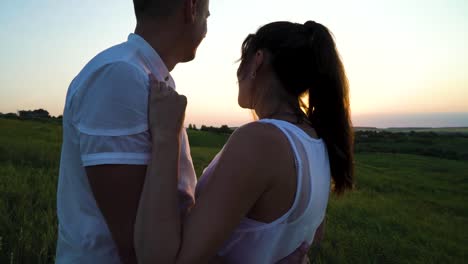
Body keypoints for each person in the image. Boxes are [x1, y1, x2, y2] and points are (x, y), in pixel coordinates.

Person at [55, 0, 309, 263]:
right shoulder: (119, 76)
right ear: (191, 8)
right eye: (207, 14)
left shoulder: (148, 77)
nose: (207, 25)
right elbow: (138, 247)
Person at [135, 20, 354, 264]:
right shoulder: (317, 140)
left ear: (257, 60)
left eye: (242, 60)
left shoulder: (261, 141)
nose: (237, 73)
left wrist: (167, 135)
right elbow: (313, 234)